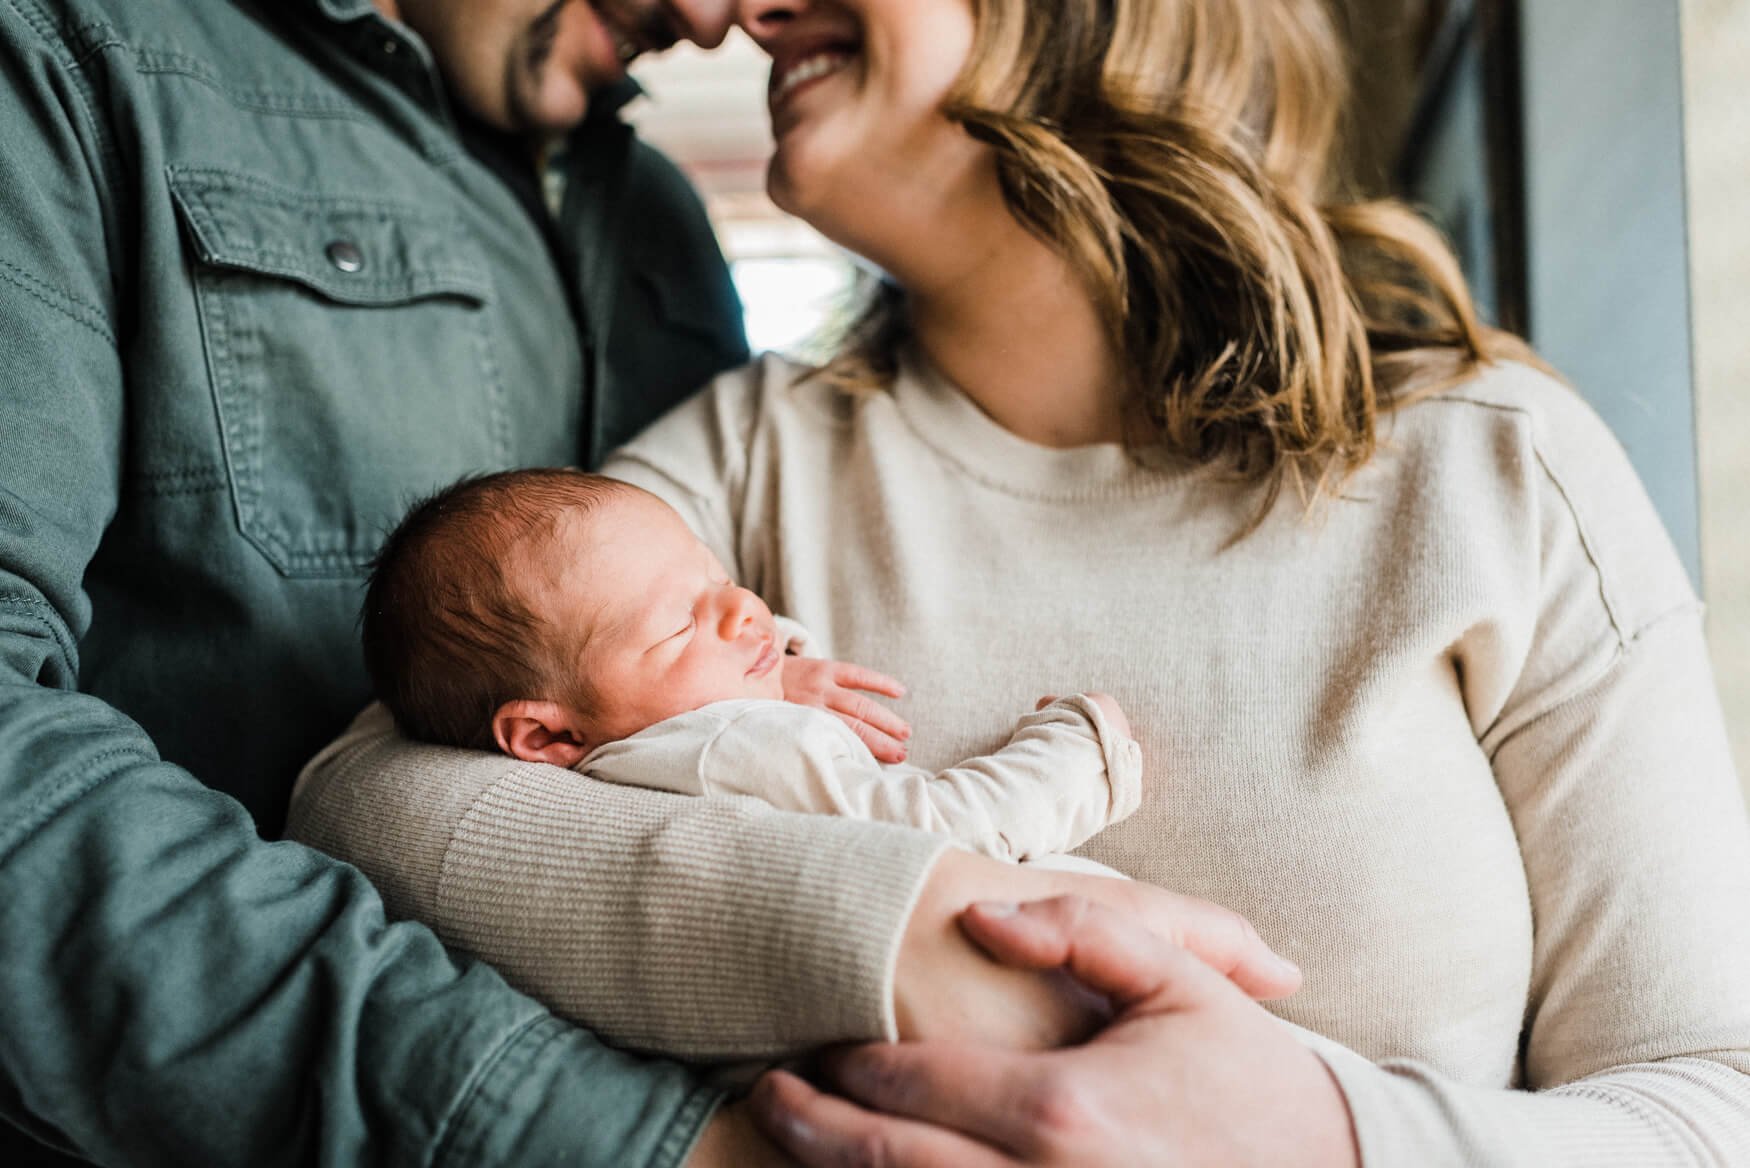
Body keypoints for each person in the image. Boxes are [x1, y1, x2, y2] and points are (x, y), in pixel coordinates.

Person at [294, 0, 1750, 1163]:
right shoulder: (737, 464)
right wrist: (902, 925)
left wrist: (1327, 1138)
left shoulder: (1492, 469)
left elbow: (1713, 1095)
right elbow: (369, 797)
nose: (741, 11)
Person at [8, 0, 1305, 1164]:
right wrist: (800, 1008)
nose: (717, 17)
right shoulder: (87, 56)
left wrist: (1343, 1132)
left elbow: (657, 662)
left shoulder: (654, 221)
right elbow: (393, 778)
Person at [359, 466, 1143, 867]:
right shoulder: (733, 744)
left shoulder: (632, 754)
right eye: (678, 621)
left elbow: (685, 697)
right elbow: (940, 835)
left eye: (715, 572)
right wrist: (1081, 747)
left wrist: (773, 671)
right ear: (543, 736)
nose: (742, 609)